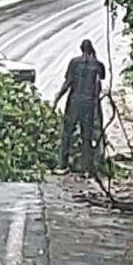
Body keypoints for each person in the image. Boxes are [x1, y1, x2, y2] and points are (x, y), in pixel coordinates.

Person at [54, 39, 107, 173]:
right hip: (89, 103)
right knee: (86, 135)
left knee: (67, 133)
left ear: (81, 49)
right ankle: (86, 167)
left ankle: (62, 164)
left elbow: (69, 82)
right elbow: (102, 78)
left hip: (74, 101)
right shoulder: (98, 64)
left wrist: (57, 97)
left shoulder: (74, 63)